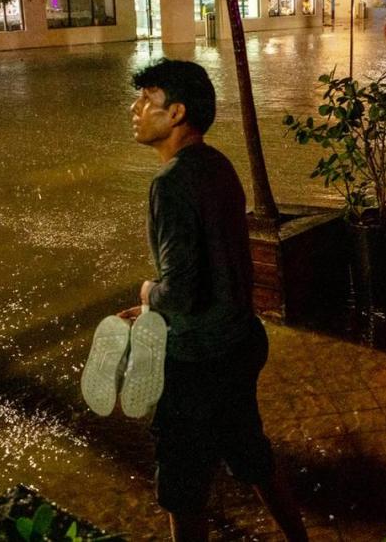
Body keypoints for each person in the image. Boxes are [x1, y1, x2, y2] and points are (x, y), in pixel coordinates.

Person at [120, 59, 307, 542]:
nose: (135, 109)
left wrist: (147, 293)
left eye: (147, 100)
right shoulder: (218, 165)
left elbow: (180, 289)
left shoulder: (170, 183)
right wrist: (149, 311)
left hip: (196, 361)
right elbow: (217, 267)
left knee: (182, 488)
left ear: (177, 112)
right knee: (251, 456)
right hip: (239, 342)